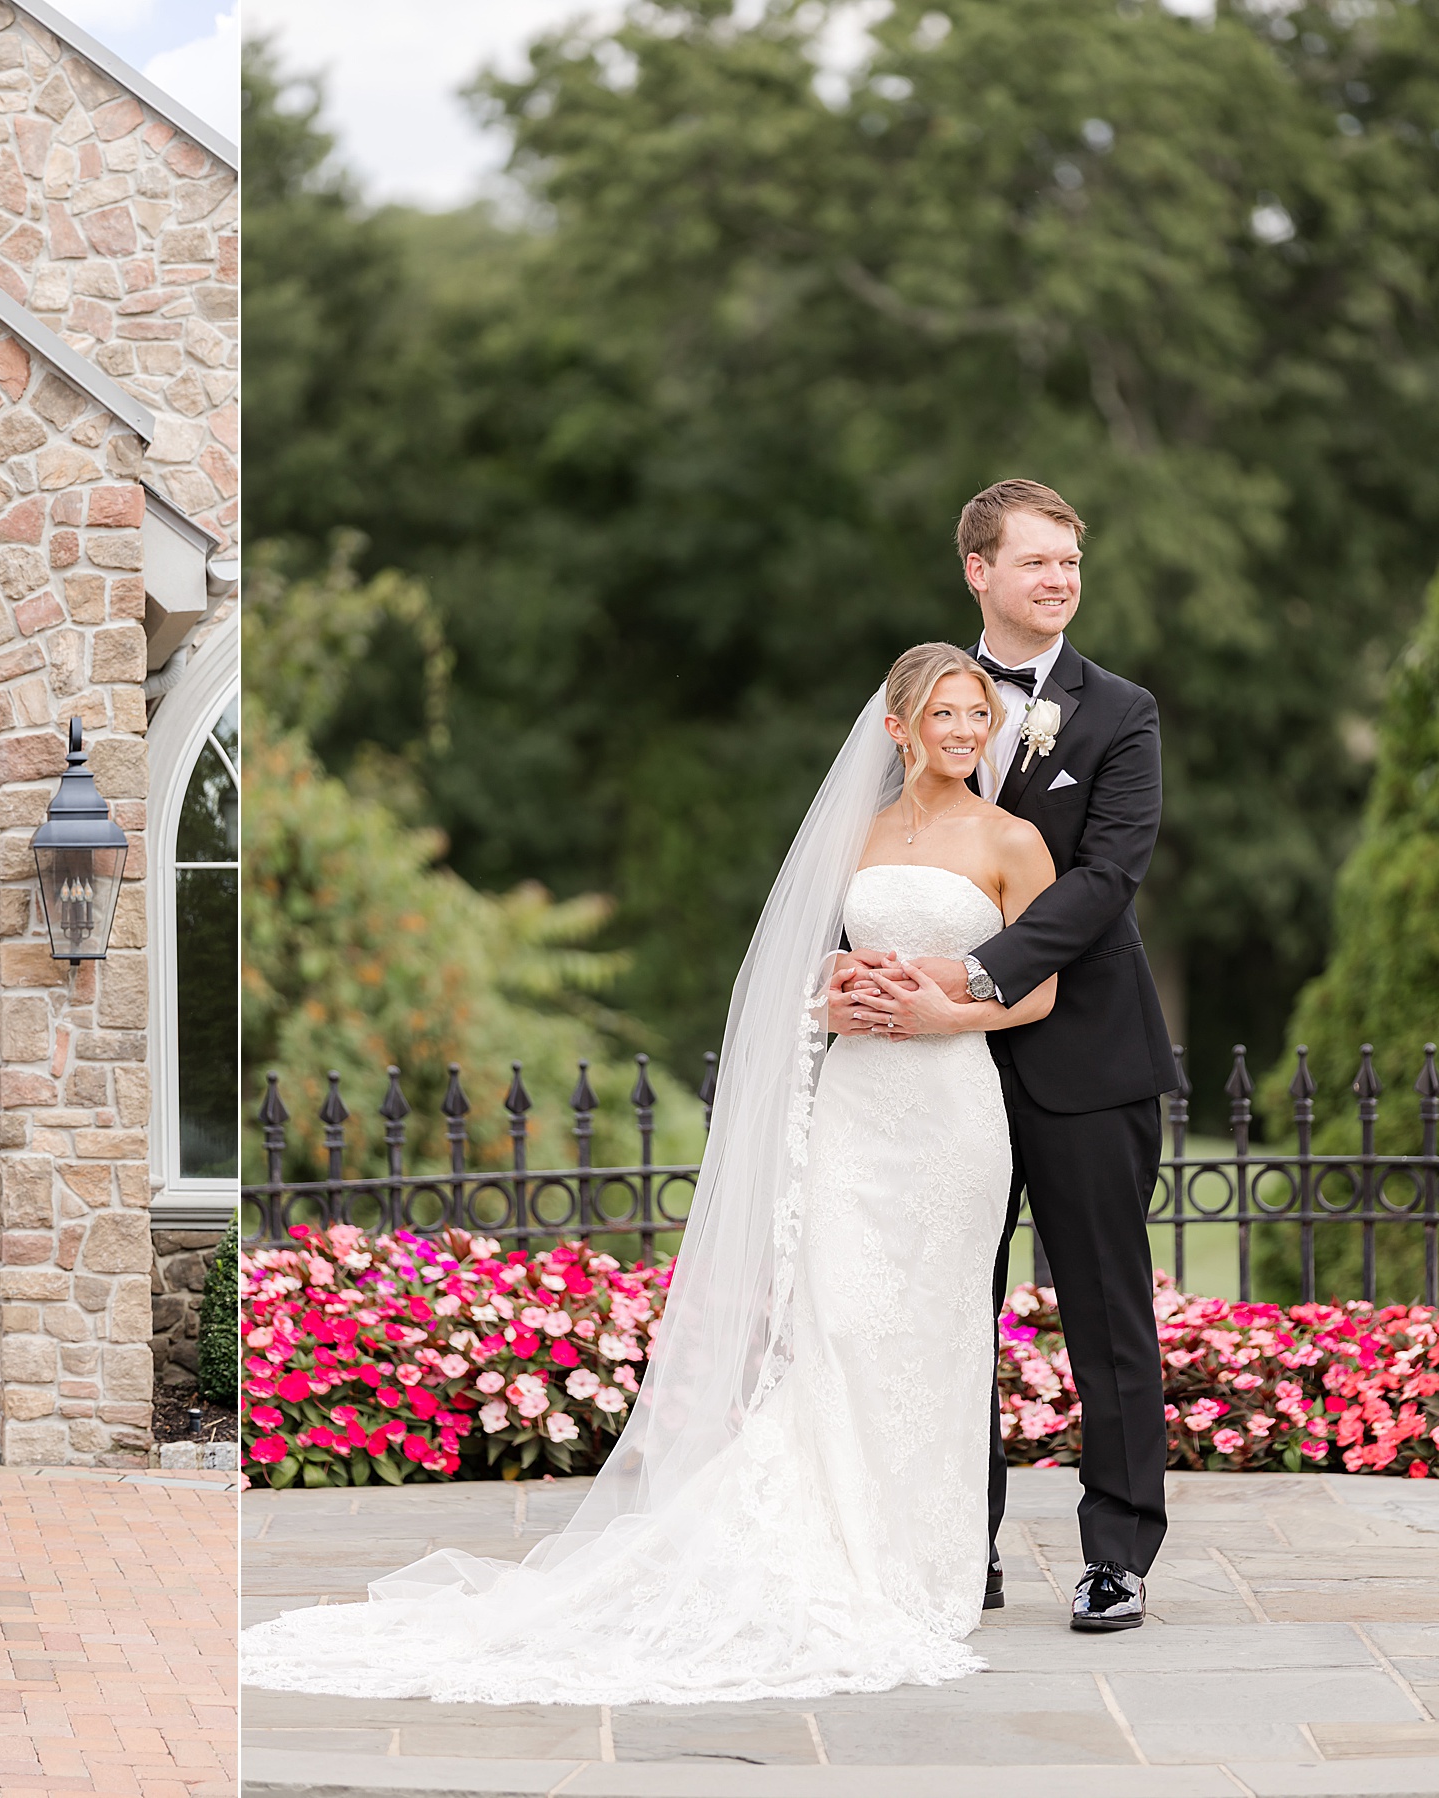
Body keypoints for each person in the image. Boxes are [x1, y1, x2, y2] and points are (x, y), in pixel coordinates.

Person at [241, 643, 1057, 1705]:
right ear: (898, 727)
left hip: (952, 1112)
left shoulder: (1014, 840)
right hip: (862, 1107)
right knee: (842, 1322)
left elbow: (1036, 992)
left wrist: (947, 1010)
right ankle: (835, 1544)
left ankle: (921, 1564)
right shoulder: (850, 834)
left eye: (976, 715)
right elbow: (796, 970)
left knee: (938, 1330)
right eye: (944, 714)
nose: (964, 731)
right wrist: (832, 994)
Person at [838, 479, 1178, 1632]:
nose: (1061, 578)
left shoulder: (1121, 712)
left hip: (1083, 1061)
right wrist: (869, 978)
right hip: (930, 1090)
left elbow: (1105, 879)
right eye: (1036, 561)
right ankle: (953, 1547)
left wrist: (965, 977)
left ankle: (1118, 1554)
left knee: (1106, 1312)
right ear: (977, 570)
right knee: (941, 1313)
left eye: (1070, 561)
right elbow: (880, 866)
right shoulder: (923, 703)